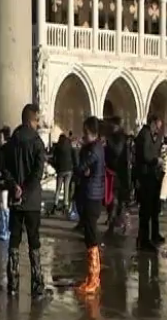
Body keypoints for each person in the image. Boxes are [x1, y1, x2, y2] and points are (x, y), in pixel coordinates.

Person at [0, 103, 47, 299]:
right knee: (34, 242)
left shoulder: (11, 142)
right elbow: (38, 172)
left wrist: (14, 187)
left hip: (16, 201)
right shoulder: (37, 142)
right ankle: (37, 285)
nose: (38, 124)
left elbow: (2, 167)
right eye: (37, 120)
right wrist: (25, 189)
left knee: (14, 240)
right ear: (31, 119)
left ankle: (13, 282)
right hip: (32, 200)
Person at [75, 116, 105, 295]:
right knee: (88, 235)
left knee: (91, 236)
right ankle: (91, 276)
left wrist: (81, 168)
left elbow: (81, 168)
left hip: (92, 195)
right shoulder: (94, 148)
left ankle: (94, 277)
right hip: (91, 194)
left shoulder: (94, 150)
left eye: (85, 132)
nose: (83, 135)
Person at [135, 113, 165, 251]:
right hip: (146, 177)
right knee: (146, 209)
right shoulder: (145, 135)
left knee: (154, 207)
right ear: (152, 123)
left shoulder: (152, 136)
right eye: (157, 126)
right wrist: (156, 160)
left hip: (152, 176)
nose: (158, 130)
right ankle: (143, 239)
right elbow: (146, 155)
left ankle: (153, 234)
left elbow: (154, 150)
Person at [104, 116, 130, 234]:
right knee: (112, 199)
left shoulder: (119, 137)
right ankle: (114, 222)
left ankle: (117, 223)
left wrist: (108, 142)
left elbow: (117, 151)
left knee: (115, 200)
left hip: (118, 173)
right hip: (112, 171)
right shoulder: (115, 137)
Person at [0, 126, 12, 241]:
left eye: (0, 136)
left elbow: (0, 164)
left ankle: (5, 229)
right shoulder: (11, 147)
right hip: (7, 180)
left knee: (3, 204)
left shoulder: (4, 149)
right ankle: (4, 228)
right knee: (4, 204)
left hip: (3, 180)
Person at [52, 132, 75, 214]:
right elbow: (73, 155)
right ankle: (65, 205)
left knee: (58, 188)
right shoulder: (69, 146)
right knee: (66, 187)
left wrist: (55, 166)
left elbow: (54, 159)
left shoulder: (58, 147)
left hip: (60, 170)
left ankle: (55, 204)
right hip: (69, 169)